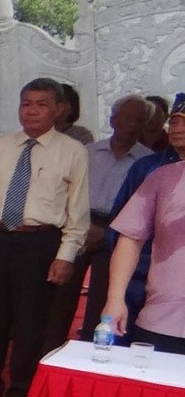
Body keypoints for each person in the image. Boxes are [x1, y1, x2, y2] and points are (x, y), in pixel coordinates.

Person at [0, 78, 90, 397]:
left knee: (31, 322)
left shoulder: (73, 152)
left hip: (39, 242)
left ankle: (21, 391)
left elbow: (78, 212)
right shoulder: (0, 147)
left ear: (59, 109)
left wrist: (66, 255)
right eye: (26, 103)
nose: (31, 111)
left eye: (41, 104)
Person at [46, 94, 153, 343]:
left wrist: (108, 232)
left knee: (104, 299)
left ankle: (91, 352)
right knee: (61, 295)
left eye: (139, 119)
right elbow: (66, 192)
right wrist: (84, 227)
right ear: (113, 119)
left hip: (119, 231)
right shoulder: (88, 152)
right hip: (80, 224)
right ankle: (49, 352)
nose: (131, 124)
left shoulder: (147, 162)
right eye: (126, 117)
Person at [96, 96, 184, 337]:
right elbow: (129, 237)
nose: (178, 130)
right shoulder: (159, 174)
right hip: (162, 310)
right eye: (175, 122)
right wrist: (115, 299)